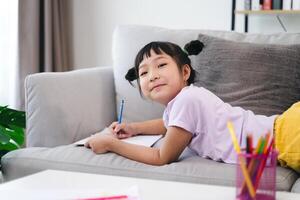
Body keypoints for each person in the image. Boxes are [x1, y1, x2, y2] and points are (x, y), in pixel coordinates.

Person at [85, 40, 300, 172]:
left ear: (185, 72)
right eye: (144, 72)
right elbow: (169, 125)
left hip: (284, 138)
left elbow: (162, 157)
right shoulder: (184, 102)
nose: (153, 75)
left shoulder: (187, 101)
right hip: (282, 128)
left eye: (161, 65)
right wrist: (134, 128)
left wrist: (110, 144)